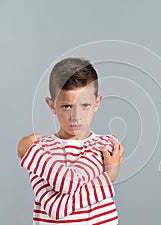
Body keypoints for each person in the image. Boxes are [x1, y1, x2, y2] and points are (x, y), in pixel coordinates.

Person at [17, 57, 124, 225]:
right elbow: (55, 208)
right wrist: (107, 178)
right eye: (67, 106)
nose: (76, 117)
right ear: (52, 105)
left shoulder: (105, 146)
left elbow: (68, 183)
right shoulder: (40, 149)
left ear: (97, 103)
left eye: (85, 105)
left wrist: (28, 152)